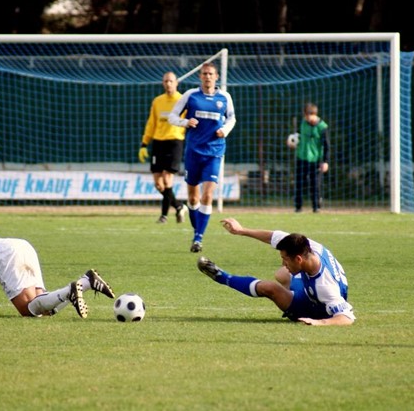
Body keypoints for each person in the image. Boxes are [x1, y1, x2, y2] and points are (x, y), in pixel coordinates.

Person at [196, 217, 354, 326]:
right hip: (310, 292)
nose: (283, 261)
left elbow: (347, 318)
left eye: (286, 259)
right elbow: (273, 236)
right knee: (282, 273)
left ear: (298, 259)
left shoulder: (325, 287)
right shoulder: (311, 247)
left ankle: (221, 277)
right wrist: (241, 230)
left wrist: (319, 322)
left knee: (270, 288)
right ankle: (290, 292)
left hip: (314, 309)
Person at [168, 62, 236, 253]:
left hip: (214, 152)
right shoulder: (190, 95)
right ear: (200, 76)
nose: (207, 77)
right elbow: (172, 116)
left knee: (208, 194)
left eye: (211, 74)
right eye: (204, 73)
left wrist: (225, 130)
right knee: (193, 197)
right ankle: (197, 229)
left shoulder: (224, 97)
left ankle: (198, 237)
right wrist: (185, 121)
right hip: (194, 152)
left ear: (216, 77)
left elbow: (232, 118)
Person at [138, 71, 188, 224]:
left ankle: (164, 215)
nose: (168, 84)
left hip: (174, 142)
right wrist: (144, 143)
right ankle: (179, 206)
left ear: (176, 83)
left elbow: (189, 121)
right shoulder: (157, 101)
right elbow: (151, 123)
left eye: (171, 81)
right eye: (166, 81)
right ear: (163, 83)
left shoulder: (183, 100)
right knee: (159, 184)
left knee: (167, 179)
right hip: (158, 143)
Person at [288, 102, 329, 213]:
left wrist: (325, 161)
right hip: (301, 157)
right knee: (299, 183)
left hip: (315, 160)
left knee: (315, 184)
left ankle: (316, 207)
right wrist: (292, 142)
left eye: (309, 116)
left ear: (314, 114)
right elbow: (297, 137)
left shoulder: (322, 127)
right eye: (306, 116)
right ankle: (298, 207)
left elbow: (326, 145)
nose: (307, 118)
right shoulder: (303, 123)